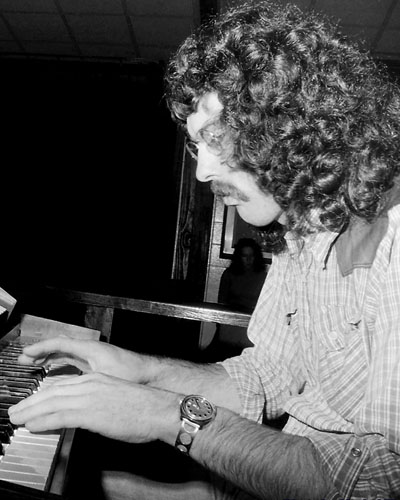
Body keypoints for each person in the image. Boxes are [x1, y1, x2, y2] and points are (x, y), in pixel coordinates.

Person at [8, 1, 400, 498]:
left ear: (296, 127)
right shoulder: (302, 234)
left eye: (218, 139)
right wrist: (143, 372)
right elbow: (267, 378)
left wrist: (166, 415)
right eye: (198, 145)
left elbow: (383, 482)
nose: (202, 171)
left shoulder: (394, 244)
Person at [205, 237, 267, 361]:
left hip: (252, 324)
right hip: (231, 323)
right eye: (245, 256)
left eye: (251, 256)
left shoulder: (263, 276)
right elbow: (221, 303)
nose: (248, 260)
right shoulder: (229, 274)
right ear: (239, 257)